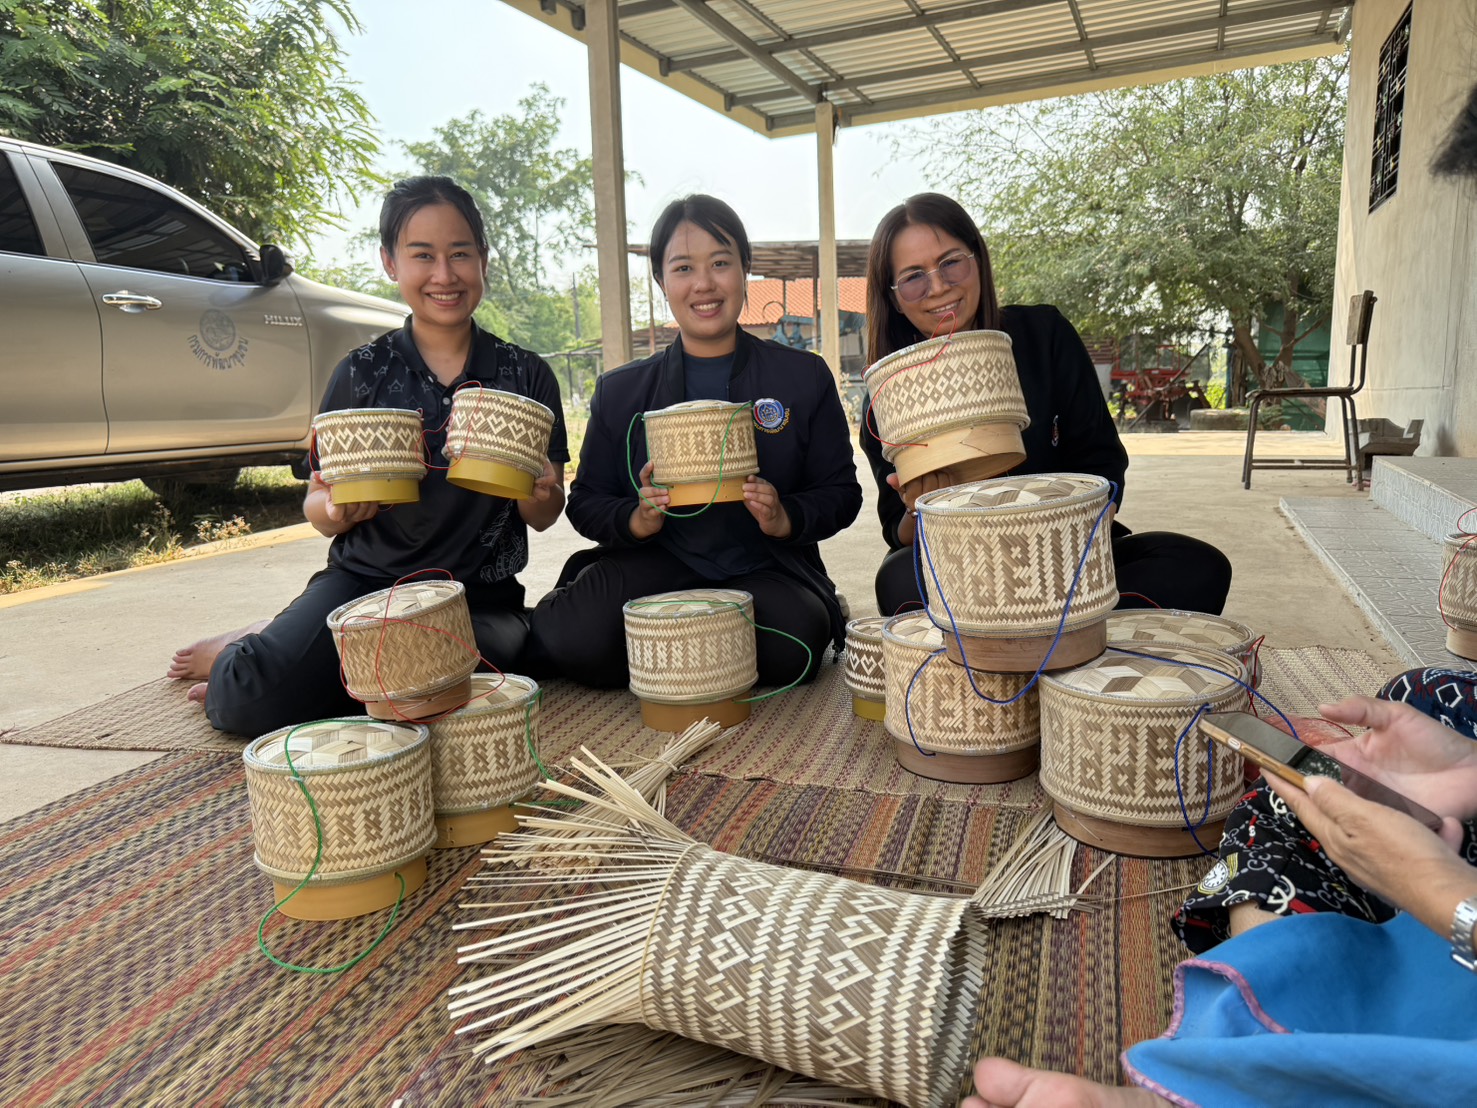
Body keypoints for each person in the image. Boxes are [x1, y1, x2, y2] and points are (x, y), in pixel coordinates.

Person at [167, 176, 568, 736]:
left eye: (460, 254)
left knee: (442, 683)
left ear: (483, 260)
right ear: (389, 262)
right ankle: (253, 647)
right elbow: (319, 500)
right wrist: (335, 513)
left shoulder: (526, 375)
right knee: (245, 706)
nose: (444, 275)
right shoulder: (362, 372)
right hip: (364, 582)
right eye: (422, 255)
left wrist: (540, 493)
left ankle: (295, 647)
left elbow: (546, 513)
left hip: (475, 600)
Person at [526, 194, 860, 689]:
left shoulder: (801, 376)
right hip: (655, 563)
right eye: (683, 268)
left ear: (745, 269)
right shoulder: (621, 392)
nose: (704, 284)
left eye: (720, 263)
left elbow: (841, 493)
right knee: (571, 637)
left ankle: (666, 653)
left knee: (797, 645)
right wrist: (637, 518)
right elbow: (588, 502)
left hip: (763, 567)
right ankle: (680, 649)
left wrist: (784, 515)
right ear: (662, 282)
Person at [859, 193, 1232, 618]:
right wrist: (919, 508)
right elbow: (900, 531)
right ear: (893, 297)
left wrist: (1056, 538)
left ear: (977, 258)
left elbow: (1103, 462)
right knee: (900, 585)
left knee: (1197, 566)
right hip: (963, 566)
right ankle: (1068, 630)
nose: (939, 286)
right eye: (913, 277)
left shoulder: (1044, 334)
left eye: (951, 262)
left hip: (1070, 555)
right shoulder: (886, 395)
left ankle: (1016, 631)